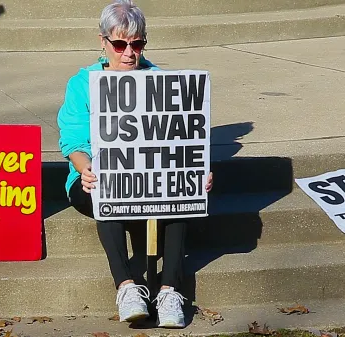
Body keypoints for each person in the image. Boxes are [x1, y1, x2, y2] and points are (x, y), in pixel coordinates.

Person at [57, 0, 213, 329]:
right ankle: (127, 288)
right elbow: (72, 142)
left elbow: (179, 141)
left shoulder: (159, 80)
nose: (129, 53)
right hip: (94, 180)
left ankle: (170, 290)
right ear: (103, 42)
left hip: (149, 182)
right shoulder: (82, 84)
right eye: (119, 44)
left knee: (178, 189)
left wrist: (196, 171)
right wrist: (84, 167)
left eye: (137, 43)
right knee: (104, 186)